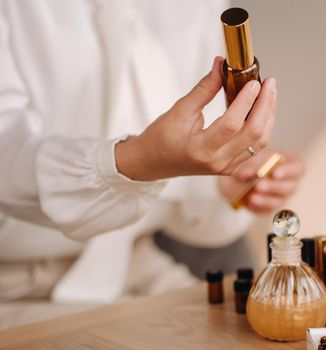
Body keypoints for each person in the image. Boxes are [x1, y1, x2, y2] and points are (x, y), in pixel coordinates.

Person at [0, 0, 304, 330]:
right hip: (16, 286)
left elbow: (182, 200)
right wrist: (137, 161)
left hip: (135, 264)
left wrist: (222, 182)